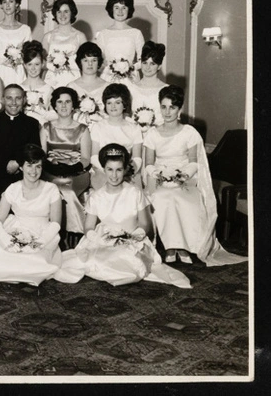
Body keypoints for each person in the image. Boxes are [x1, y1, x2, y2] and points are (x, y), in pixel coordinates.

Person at [143, 86, 247, 266]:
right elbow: (149, 163)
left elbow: (193, 161)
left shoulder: (189, 132)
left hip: (185, 177)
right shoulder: (152, 133)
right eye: (164, 107)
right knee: (163, 198)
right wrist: (159, 174)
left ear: (180, 109)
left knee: (187, 199)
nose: (167, 112)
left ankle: (183, 246)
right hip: (158, 178)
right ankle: (170, 246)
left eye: (172, 107)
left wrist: (181, 176)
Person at [64, 143, 191, 287]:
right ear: (103, 170)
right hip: (104, 238)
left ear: (125, 170)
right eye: (110, 170)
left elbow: (145, 224)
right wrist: (98, 239)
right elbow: (88, 227)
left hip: (133, 240)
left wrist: (135, 236)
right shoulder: (96, 197)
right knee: (94, 259)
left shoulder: (134, 193)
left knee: (127, 260)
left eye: (118, 170)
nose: (114, 175)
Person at [0, 144, 79, 286]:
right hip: (16, 229)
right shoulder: (13, 189)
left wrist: (40, 242)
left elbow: (56, 223)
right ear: (21, 167)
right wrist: (5, 239)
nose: (34, 171)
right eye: (29, 165)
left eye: (38, 166)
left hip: (42, 233)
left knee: (35, 262)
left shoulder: (51, 189)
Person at [40, 87, 92, 244]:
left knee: (66, 190)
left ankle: (72, 238)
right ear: (54, 105)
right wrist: (53, 168)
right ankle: (52, 235)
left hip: (76, 172)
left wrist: (71, 169)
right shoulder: (46, 127)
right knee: (53, 189)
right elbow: (42, 156)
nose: (63, 106)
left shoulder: (83, 129)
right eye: (59, 102)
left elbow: (86, 158)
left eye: (67, 102)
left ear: (73, 105)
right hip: (51, 170)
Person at [0, 84, 40, 210]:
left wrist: (17, 163)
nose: (13, 102)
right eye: (9, 98)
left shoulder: (32, 123)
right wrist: (5, 164)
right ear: (2, 99)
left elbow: (33, 149)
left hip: (22, 171)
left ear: (24, 100)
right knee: (2, 187)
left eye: (18, 98)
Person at [90, 84, 144, 189]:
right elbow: (94, 156)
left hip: (127, 172)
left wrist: (125, 170)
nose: (113, 106)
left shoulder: (134, 128)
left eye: (117, 102)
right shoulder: (98, 127)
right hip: (103, 172)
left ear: (124, 105)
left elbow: (137, 158)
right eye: (109, 103)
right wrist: (109, 170)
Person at [94, 0, 145, 84]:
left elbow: (143, 59)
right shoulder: (103, 34)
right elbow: (98, 60)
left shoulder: (136, 33)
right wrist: (110, 69)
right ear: (111, 9)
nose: (120, 11)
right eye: (116, 7)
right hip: (108, 78)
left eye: (124, 8)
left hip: (130, 78)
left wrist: (130, 68)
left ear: (128, 10)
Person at [42, 0, 87, 88]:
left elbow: (85, 63)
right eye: (59, 12)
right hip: (52, 80)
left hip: (73, 78)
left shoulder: (80, 36)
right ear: (55, 14)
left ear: (72, 13)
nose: (62, 15)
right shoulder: (48, 36)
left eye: (66, 11)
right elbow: (42, 62)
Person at [128, 41, 168, 131]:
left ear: (159, 66)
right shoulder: (132, 88)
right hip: (135, 136)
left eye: (152, 63)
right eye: (145, 62)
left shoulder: (166, 89)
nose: (147, 67)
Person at [67, 41, 109, 126]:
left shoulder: (108, 87)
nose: (90, 64)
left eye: (94, 60)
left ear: (99, 62)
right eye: (86, 60)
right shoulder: (71, 87)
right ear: (80, 62)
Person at [21, 40, 54, 126]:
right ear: (24, 65)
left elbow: (54, 116)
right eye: (29, 64)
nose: (33, 68)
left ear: (43, 64)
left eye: (37, 64)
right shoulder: (19, 88)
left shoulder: (48, 89)